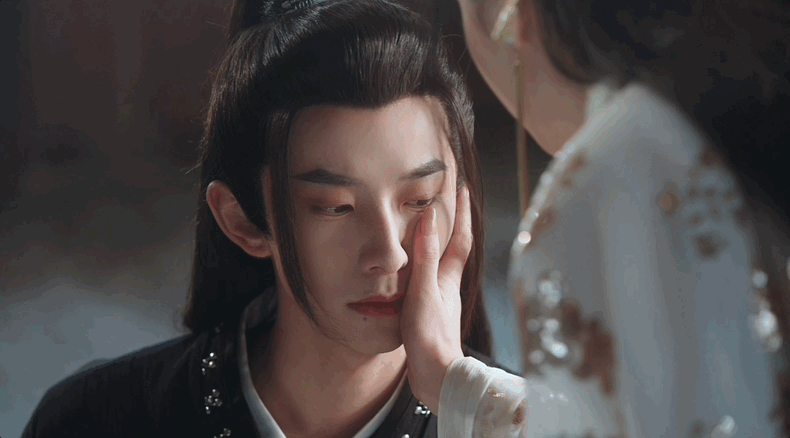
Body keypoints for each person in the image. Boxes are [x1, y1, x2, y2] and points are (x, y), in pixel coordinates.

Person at [21, 0, 514, 436]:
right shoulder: (91, 421)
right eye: (334, 207)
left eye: (421, 199)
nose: (389, 254)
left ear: (461, 200)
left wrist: (457, 394)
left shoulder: (519, 420)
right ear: (242, 221)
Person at [429, 0, 790, 436]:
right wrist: (457, 385)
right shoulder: (741, 96)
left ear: (514, 15)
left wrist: (459, 388)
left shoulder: (602, 190)